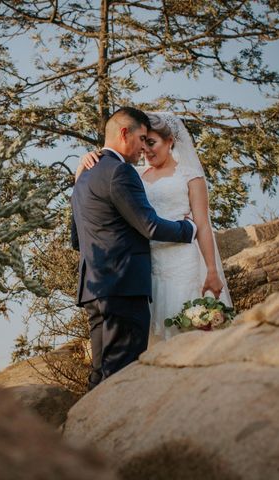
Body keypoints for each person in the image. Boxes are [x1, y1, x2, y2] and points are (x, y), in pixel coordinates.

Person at [77, 112, 232, 344]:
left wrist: (211, 270)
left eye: (151, 142)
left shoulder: (191, 177)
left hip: (181, 262)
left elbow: (202, 225)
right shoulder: (132, 173)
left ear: (170, 142)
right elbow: (98, 183)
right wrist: (84, 162)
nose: (146, 150)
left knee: (183, 330)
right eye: (143, 142)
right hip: (146, 266)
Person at [70, 107, 196, 391]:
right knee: (121, 375)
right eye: (141, 138)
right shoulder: (120, 171)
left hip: (93, 289)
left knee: (100, 376)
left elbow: (77, 239)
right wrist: (190, 229)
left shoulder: (84, 178)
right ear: (124, 133)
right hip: (123, 287)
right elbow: (149, 226)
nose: (143, 146)